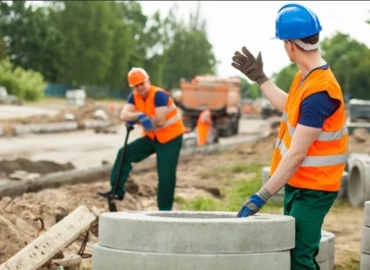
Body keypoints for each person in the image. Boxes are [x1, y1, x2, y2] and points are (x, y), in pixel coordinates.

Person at [231, 3, 347, 270]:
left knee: (299, 259)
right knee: (299, 254)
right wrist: (260, 79)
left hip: (314, 189)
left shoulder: (320, 91)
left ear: (290, 45)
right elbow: (290, 105)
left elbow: (297, 152)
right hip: (299, 185)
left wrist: (263, 194)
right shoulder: (306, 78)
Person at [98, 67, 185, 211]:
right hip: (152, 137)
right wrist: (139, 116)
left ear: (148, 81)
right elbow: (124, 115)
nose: (140, 88)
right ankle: (116, 191)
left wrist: (138, 116)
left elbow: (159, 120)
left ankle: (165, 210)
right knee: (124, 153)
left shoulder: (159, 95)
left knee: (165, 175)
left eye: (142, 84)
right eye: (136, 85)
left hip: (171, 139)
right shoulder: (134, 97)